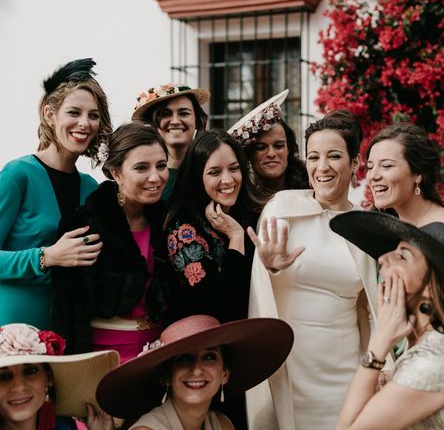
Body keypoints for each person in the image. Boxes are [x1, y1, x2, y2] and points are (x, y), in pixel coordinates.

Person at [246, 110, 380, 430]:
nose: (322, 167)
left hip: (344, 374)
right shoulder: (282, 209)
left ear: (355, 162)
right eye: (313, 157)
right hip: (288, 370)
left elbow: (373, 309)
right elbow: (260, 293)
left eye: (334, 156)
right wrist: (269, 268)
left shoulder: (366, 227)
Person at [330, 211, 444, 429]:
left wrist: (378, 345)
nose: (382, 258)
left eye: (402, 256)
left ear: (429, 289)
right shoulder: (429, 340)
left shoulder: (434, 362)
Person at [0, 58, 112, 329]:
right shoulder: (18, 175)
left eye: (93, 115)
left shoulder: (91, 187)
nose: (84, 123)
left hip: (72, 328)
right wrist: (46, 257)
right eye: (74, 112)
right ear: (51, 115)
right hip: (16, 328)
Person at [164, 129, 263, 430]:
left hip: (249, 351)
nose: (228, 180)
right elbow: (218, 305)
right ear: (198, 177)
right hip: (206, 362)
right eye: (215, 172)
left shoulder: (251, 218)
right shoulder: (183, 232)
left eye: (234, 169)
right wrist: (235, 239)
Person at [51, 123, 171, 362]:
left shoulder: (168, 221)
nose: (155, 177)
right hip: (101, 356)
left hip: (160, 354)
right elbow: (67, 308)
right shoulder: (84, 223)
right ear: (116, 173)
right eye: (141, 168)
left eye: (161, 165)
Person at [365, 123, 444, 318]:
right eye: (370, 166)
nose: (373, 176)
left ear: (418, 175)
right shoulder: (394, 226)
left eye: (387, 166)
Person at [95, 314, 293, 430]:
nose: (197, 369)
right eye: (184, 358)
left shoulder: (222, 425)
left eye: (209, 357)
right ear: (166, 377)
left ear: (225, 373)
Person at [0, 322, 118, 430]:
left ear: (48, 378)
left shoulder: (67, 427)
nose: (19, 386)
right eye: (4, 377)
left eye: (30, 371)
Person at [132, 84, 210, 201]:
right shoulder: (143, 175)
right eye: (165, 114)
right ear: (154, 123)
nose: (175, 121)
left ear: (197, 120)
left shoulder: (212, 168)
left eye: (184, 113)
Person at [228, 90, 308, 200]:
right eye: (261, 147)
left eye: (279, 146)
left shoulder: (311, 188)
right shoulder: (239, 201)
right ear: (250, 154)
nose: (271, 154)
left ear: (288, 149)